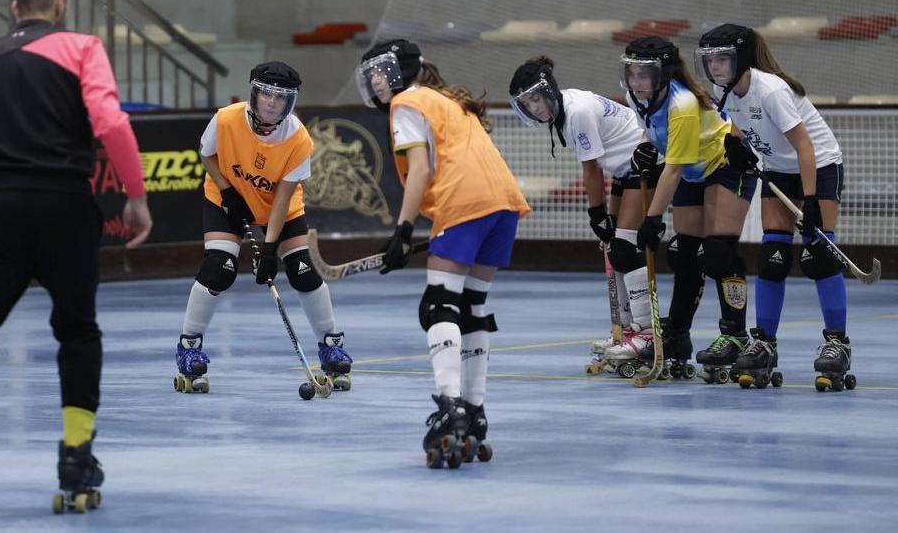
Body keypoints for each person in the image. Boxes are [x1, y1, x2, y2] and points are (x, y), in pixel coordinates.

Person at [0, 0, 152, 525]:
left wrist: (2, 161)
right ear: (60, 4)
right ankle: (75, 460)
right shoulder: (82, 48)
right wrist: (135, 195)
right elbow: (110, 123)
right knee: (76, 330)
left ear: (13, 6)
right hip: (67, 209)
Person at [356, 39, 529, 467]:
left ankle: (449, 407)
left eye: (380, 72)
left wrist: (401, 231)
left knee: (439, 305)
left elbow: (422, 170)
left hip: (466, 203)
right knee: (471, 306)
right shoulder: (443, 98)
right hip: (503, 203)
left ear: (398, 73)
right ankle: (475, 411)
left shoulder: (408, 103)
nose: (376, 82)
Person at [174, 61, 353, 394]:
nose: (272, 102)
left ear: (290, 103)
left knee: (302, 271)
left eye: (280, 98)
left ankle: (331, 346)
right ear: (254, 94)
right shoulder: (225, 119)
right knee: (219, 269)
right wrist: (227, 191)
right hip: (225, 200)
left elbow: (283, 199)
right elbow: (207, 155)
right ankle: (189, 347)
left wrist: (269, 249)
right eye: (266, 94)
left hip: (279, 210)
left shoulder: (299, 139)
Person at [696, 23, 853, 390]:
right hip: (779, 170)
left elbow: (805, 147)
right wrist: (737, 145)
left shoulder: (770, 91)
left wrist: (810, 201)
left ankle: (837, 343)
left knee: (820, 252)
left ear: (742, 59)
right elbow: (738, 123)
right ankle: (765, 342)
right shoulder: (726, 91)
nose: (715, 67)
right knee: (773, 255)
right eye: (710, 60)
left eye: (722, 59)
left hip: (820, 165)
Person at [508, 56, 664, 374]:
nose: (535, 108)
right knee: (613, 248)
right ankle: (628, 330)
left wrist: (596, 213)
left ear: (550, 92)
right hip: (624, 170)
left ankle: (648, 334)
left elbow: (590, 169)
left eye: (537, 99)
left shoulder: (576, 112)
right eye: (527, 103)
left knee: (623, 247)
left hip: (646, 165)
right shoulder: (567, 111)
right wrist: (601, 219)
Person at [621, 36, 758, 384]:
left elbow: (674, 168)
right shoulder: (639, 98)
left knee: (717, 252)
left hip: (725, 164)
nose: (635, 82)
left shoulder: (681, 103)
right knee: (683, 252)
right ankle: (678, 332)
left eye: (643, 74)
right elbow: (653, 135)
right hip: (694, 169)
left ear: (663, 74)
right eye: (631, 73)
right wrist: (643, 147)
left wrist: (651, 218)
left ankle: (735, 334)